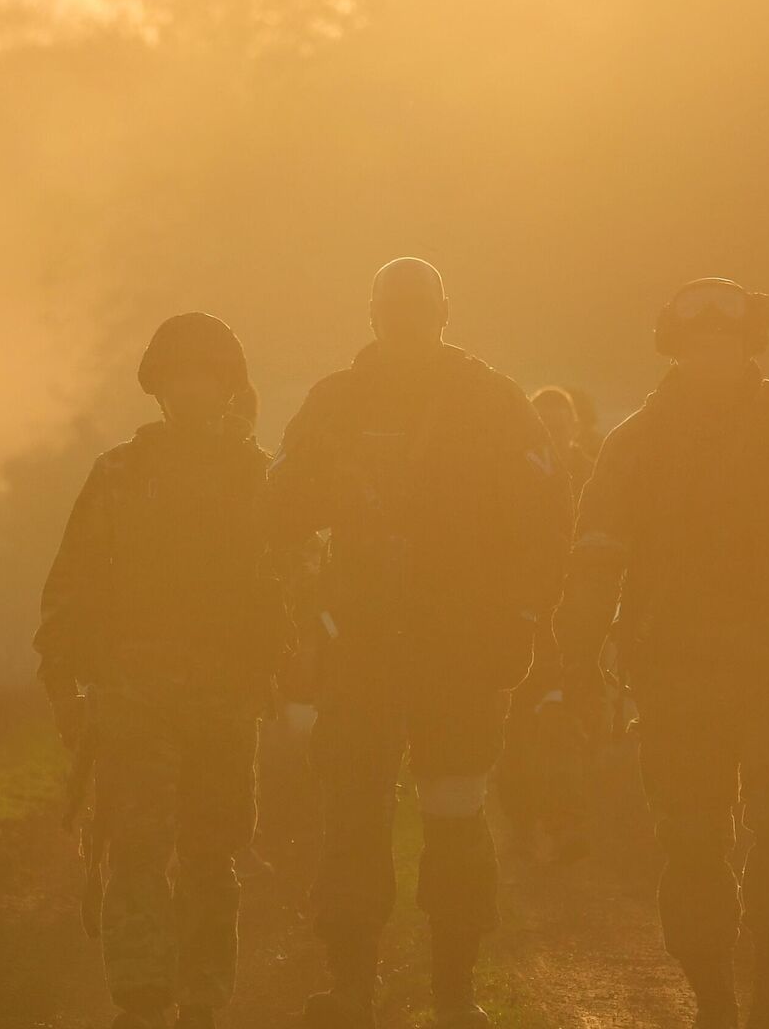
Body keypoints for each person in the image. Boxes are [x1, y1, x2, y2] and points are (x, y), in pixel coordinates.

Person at [555, 277, 769, 1029]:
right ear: (677, 350)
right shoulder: (637, 444)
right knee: (693, 839)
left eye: (728, 341)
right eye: (699, 343)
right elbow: (595, 559)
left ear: (750, 345)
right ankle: (713, 1000)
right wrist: (575, 664)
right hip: (677, 678)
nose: (714, 355)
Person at [269, 258, 573, 1029]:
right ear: (375, 319)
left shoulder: (492, 404)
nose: (404, 326)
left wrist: (521, 621)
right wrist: (293, 616)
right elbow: (280, 512)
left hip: (459, 652)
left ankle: (452, 992)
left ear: (442, 315)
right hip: (363, 648)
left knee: (453, 813)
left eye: (416, 312)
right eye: (393, 313)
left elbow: (545, 522)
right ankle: (354, 989)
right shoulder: (337, 404)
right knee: (354, 820)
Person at [35, 313, 288, 1029]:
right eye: (177, 377)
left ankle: (203, 998)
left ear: (227, 385)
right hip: (134, 696)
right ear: (158, 387)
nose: (191, 390)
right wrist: (69, 687)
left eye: (204, 376)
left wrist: (279, 659)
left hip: (225, 698)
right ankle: (144, 998)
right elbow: (71, 587)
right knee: (136, 844)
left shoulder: (257, 477)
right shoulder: (120, 474)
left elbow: (293, 583)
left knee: (212, 852)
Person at [497, 385, 599, 862]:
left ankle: (569, 820)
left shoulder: (596, 475)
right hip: (524, 612)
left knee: (572, 720)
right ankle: (520, 818)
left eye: (559, 427)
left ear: (574, 428)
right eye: (544, 427)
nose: (552, 435)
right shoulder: (510, 474)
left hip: (580, 618)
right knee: (516, 721)